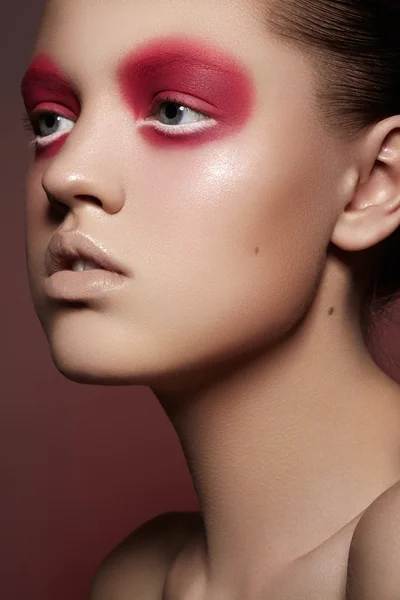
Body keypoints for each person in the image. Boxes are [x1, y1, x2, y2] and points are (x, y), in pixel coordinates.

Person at [20, 0, 400, 597]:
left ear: (374, 186)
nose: (65, 175)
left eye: (174, 110)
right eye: (51, 121)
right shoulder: (138, 581)